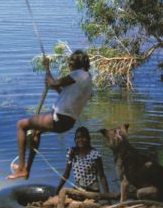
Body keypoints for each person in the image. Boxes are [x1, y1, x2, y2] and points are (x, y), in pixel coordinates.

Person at [8, 50, 93, 180]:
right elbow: (61, 92)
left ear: (76, 64)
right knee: (35, 131)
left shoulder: (78, 74)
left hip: (59, 118)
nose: (69, 66)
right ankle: (26, 170)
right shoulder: (87, 79)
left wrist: (47, 68)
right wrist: (51, 84)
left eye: (70, 63)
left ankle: (21, 168)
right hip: (68, 122)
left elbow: (53, 83)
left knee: (21, 125)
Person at [56, 127, 110, 196]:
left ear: (88, 139)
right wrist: (57, 191)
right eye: (78, 138)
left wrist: (107, 196)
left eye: (83, 137)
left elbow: (102, 176)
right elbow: (66, 174)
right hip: (78, 190)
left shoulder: (95, 155)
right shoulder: (71, 153)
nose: (80, 140)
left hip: (92, 191)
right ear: (75, 140)